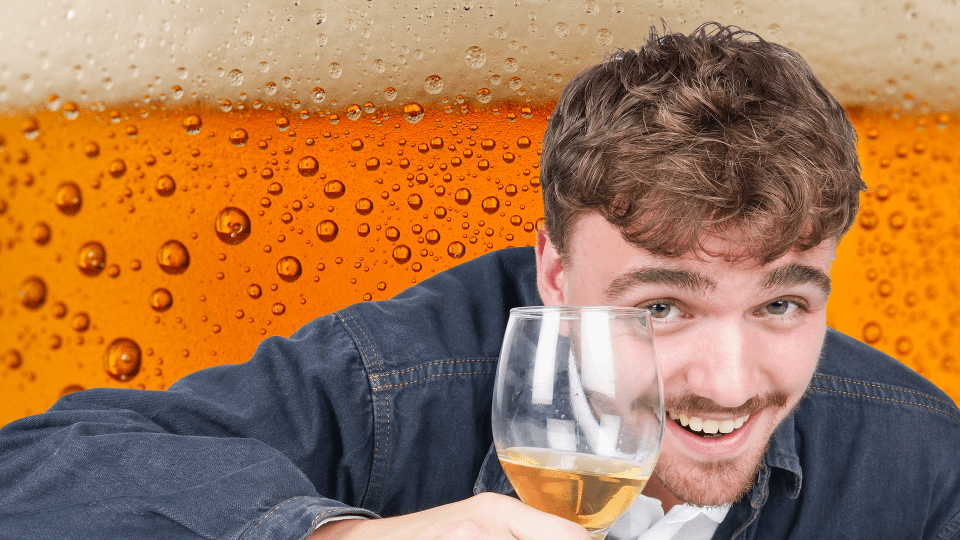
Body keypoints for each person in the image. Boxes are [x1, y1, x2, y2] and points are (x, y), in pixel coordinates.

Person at [1, 22, 959, 540]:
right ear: (553, 269)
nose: (725, 380)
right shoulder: (401, 380)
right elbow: (30, 474)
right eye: (661, 306)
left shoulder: (918, 457)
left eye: (783, 303)